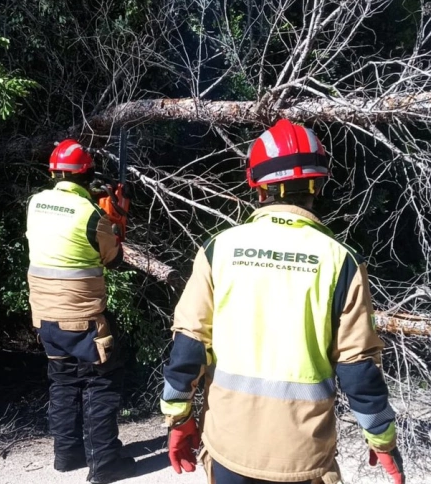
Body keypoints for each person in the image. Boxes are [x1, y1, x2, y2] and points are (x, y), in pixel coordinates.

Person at [160, 120, 405, 484]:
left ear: (257, 187)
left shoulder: (219, 250)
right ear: (318, 184)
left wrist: (179, 420)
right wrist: (382, 439)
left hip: (230, 447)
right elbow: (358, 367)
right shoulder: (341, 261)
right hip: (302, 456)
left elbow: (189, 346)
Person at [26, 139, 135, 484]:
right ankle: (104, 464)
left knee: (62, 381)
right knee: (100, 382)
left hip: (45, 317)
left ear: (54, 173)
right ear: (87, 174)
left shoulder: (35, 203)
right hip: (84, 319)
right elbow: (113, 259)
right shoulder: (92, 215)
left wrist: (106, 216)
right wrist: (116, 219)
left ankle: (67, 455)